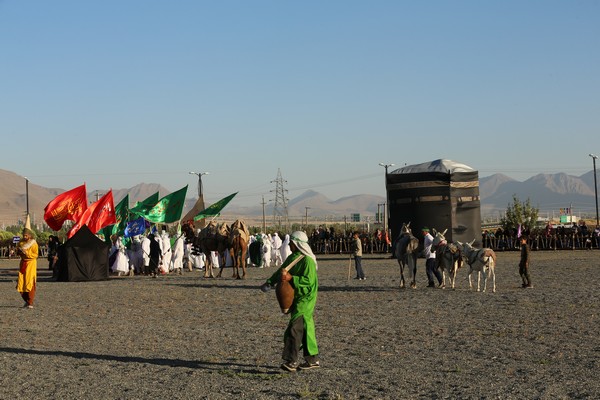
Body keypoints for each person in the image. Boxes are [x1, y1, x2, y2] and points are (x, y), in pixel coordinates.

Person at [260, 231, 320, 372]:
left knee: (295, 327)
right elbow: (282, 271)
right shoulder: (293, 258)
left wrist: (292, 279)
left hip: (306, 297)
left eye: (292, 243)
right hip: (297, 295)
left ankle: (291, 361)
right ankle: (312, 359)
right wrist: (270, 282)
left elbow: (309, 281)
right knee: (306, 327)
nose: (290, 245)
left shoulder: (307, 261)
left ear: (298, 244)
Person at [17, 224, 39, 308]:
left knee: (30, 282)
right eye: (24, 235)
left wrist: (27, 253)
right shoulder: (21, 242)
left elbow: (35, 255)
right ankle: (26, 300)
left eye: (26, 235)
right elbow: (18, 250)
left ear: (29, 235)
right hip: (23, 264)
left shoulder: (33, 244)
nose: (25, 237)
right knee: (21, 282)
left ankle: (30, 301)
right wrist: (19, 252)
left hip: (30, 264)